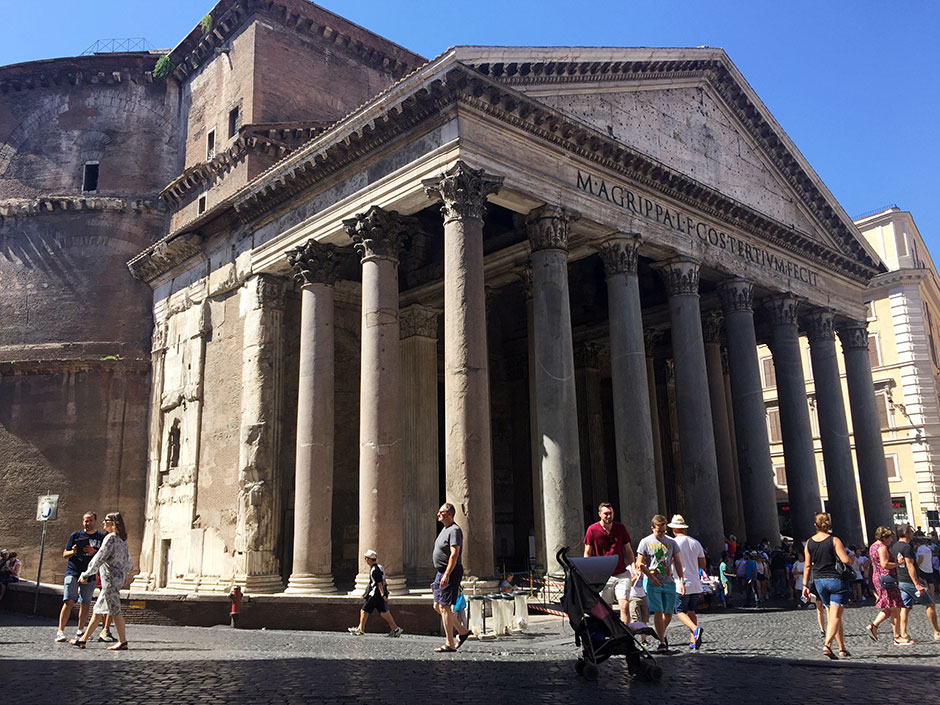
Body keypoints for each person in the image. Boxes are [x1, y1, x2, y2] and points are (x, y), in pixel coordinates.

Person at [70, 512, 132, 650]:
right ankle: (83, 639)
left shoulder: (110, 538)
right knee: (98, 610)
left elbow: (99, 557)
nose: (103, 522)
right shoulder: (123, 539)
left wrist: (86, 573)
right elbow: (128, 560)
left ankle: (123, 642)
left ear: (113, 523)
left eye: (106, 520)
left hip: (109, 580)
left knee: (115, 610)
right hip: (117, 579)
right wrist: (125, 573)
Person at [801, 512, 854, 659]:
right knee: (835, 616)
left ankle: (842, 648)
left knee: (833, 615)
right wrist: (852, 558)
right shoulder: (834, 540)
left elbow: (807, 566)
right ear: (828, 524)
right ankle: (828, 645)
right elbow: (845, 560)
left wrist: (805, 585)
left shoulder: (809, 543)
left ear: (815, 525)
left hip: (819, 582)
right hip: (835, 580)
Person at [635, 514, 684, 652]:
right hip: (653, 583)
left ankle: (660, 633)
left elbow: (678, 562)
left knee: (668, 613)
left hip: (669, 581)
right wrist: (650, 577)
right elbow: (639, 563)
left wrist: (681, 579)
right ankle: (662, 642)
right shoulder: (645, 542)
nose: (662, 534)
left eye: (663, 531)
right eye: (659, 531)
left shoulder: (672, 543)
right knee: (658, 611)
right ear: (652, 528)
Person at [56, 512, 106, 643]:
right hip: (73, 571)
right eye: (85, 521)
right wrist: (73, 551)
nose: (87, 523)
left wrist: (93, 552)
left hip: (90, 573)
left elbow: (105, 556)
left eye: (90, 520)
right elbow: (65, 554)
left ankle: (80, 630)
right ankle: (60, 631)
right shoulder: (76, 535)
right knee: (69, 601)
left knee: (85, 603)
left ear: (95, 521)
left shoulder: (101, 537)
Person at [583, 502, 635, 624]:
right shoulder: (592, 530)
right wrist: (587, 572)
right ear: (600, 514)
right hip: (603, 575)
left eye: (611, 513)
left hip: (621, 573)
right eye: (606, 513)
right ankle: (612, 632)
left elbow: (628, 549)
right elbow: (587, 552)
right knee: (606, 608)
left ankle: (624, 635)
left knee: (624, 605)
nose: (608, 516)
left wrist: (633, 566)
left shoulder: (620, 528)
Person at [431, 502, 470, 653]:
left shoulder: (454, 530)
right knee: (437, 606)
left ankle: (450, 643)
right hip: (440, 571)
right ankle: (462, 631)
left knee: (445, 607)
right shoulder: (445, 529)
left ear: (449, 514)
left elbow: (455, 554)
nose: (438, 514)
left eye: (441, 512)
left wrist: (447, 574)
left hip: (449, 572)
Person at [892, 523, 940, 642]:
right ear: (906, 533)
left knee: (905, 607)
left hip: (901, 579)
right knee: (930, 604)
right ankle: (937, 632)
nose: (913, 533)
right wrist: (916, 583)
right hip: (909, 581)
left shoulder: (895, 546)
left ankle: (904, 634)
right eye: (911, 531)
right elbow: (910, 565)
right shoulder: (907, 547)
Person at [667, 514, 705, 650]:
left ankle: (695, 630)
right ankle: (693, 640)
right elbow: (702, 563)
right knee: (691, 611)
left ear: (674, 529)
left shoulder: (673, 543)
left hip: (680, 582)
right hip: (695, 582)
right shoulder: (695, 542)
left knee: (679, 611)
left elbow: (670, 561)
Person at [348, 549, 403, 637]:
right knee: (384, 612)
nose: (365, 560)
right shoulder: (379, 567)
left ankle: (360, 630)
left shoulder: (374, 570)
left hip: (375, 595)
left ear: (370, 559)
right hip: (377, 594)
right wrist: (366, 592)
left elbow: (379, 583)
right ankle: (396, 629)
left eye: (366, 558)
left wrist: (383, 594)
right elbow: (380, 581)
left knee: (364, 610)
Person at [866, 526, 903, 644]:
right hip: (886, 579)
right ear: (885, 537)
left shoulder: (873, 546)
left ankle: (875, 626)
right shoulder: (882, 548)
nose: (891, 540)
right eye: (890, 538)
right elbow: (884, 564)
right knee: (895, 607)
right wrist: (898, 563)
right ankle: (896, 636)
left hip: (878, 577)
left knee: (890, 606)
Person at [915, 532, 936, 598]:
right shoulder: (928, 548)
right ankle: (932, 595)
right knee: (931, 583)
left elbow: (921, 558)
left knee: (918, 580)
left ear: (918, 544)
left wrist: (917, 565)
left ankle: (923, 594)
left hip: (922, 568)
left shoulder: (920, 548)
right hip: (929, 567)